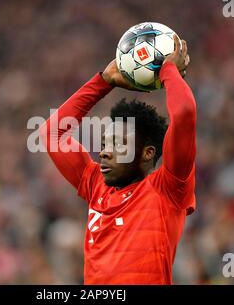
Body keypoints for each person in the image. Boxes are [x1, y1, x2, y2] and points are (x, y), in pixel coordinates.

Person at [40, 35, 196, 284]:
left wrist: (168, 69)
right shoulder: (96, 185)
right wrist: (102, 82)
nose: (103, 152)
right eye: (104, 144)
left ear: (147, 153)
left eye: (118, 144)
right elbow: (50, 133)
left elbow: (185, 113)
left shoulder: (168, 189)